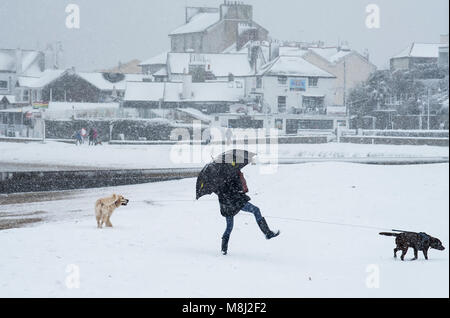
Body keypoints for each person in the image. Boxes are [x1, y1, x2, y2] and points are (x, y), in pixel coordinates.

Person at [217, 163, 279, 255]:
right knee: (256, 210)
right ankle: (267, 233)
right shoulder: (231, 175)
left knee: (229, 227)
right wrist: (239, 182)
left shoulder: (218, 179)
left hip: (227, 206)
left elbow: (223, 192)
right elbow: (238, 189)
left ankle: (223, 249)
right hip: (236, 202)